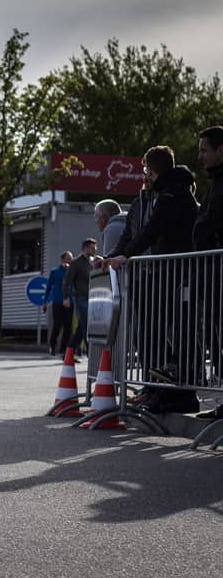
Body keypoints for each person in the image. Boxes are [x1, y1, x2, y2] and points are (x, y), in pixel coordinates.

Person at [104, 146, 200, 414]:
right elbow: (138, 233)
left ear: (152, 169)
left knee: (164, 333)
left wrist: (126, 255)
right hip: (161, 273)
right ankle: (158, 388)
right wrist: (116, 255)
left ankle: (173, 390)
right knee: (150, 333)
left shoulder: (172, 193)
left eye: (146, 169)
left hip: (174, 272)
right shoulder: (160, 194)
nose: (144, 175)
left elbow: (153, 230)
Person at [193, 126, 223, 419]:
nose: (200, 156)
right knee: (215, 334)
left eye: (204, 150)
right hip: (211, 269)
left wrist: (200, 232)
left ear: (220, 150)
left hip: (217, 267)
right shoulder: (214, 182)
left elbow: (210, 220)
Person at [62, 238, 97, 360]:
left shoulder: (93, 262)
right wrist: (66, 297)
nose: (95, 249)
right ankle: (91, 354)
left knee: (81, 327)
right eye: (92, 248)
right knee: (87, 324)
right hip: (80, 298)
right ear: (85, 248)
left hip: (92, 298)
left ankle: (68, 353)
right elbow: (67, 281)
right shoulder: (76, 263)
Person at [43, 251, 73, 356]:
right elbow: (48, 287)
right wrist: (45, 302)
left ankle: (64, 349)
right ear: (62, 259)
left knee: (68, 326)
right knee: (57, 324)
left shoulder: (72, 271)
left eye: (71, 259)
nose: (70, 261)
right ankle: (52, 346)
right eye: (68, 259)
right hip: (57, 302)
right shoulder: (55, 272)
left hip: (69, 302)